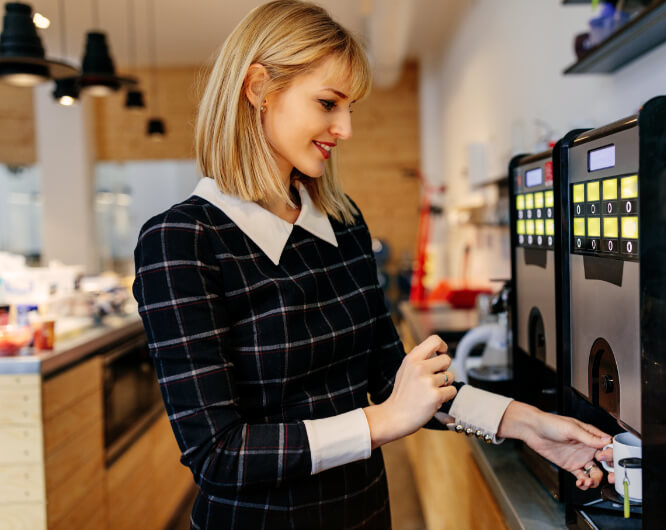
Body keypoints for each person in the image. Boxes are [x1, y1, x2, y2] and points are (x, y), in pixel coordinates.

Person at [132, 1, 612, 528]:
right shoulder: (181, 240)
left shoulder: (342, 221)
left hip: (364, 513)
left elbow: (391, 378)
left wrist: (523, 422)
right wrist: (382, 422)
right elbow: (219, 453)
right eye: (328, 103)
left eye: (350, 108)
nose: (346, 128)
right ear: (258, 88)